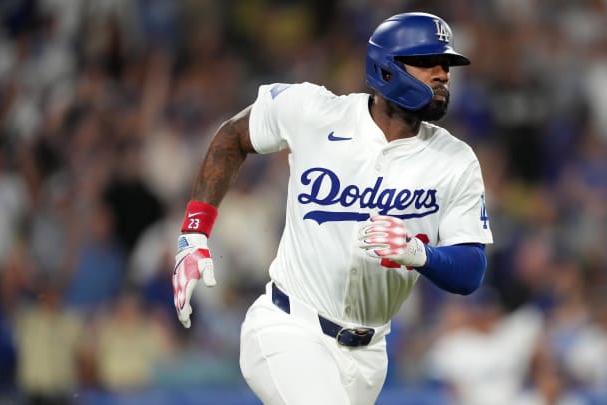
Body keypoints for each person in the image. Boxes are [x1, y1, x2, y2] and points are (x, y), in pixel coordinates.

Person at [171, 12, 493, 404]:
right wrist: (193, 230)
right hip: (288, 327)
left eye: (446, 65)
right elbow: (233, 135)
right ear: (387, 70)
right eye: (427, 62)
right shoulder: (316, 111)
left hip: (370, 354)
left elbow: (471, 269)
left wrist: (419, 254)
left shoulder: (456, 160)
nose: (442, 74)